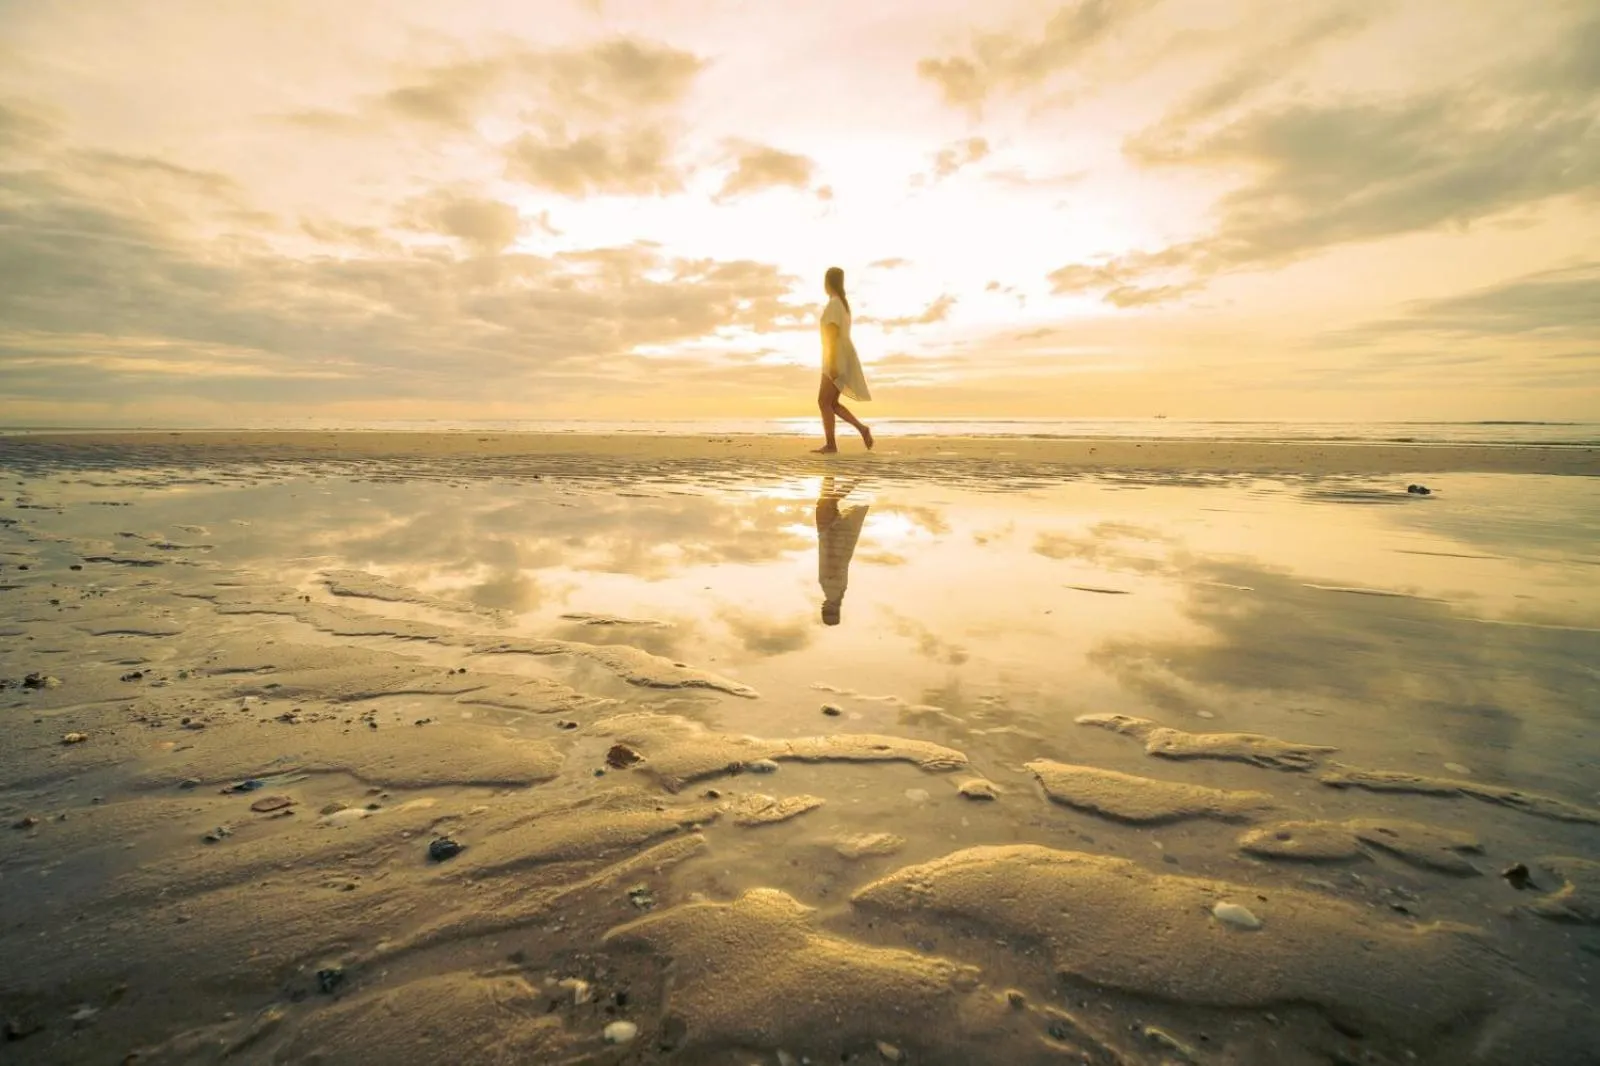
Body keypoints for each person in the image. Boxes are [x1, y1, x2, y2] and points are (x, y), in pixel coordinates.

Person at [813, 266, 873, 454]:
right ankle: (861, 429)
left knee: (823, 401)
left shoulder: (834, 305)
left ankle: (831, 445)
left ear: (828, 283)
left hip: (836, 357)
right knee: (831, 403)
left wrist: (831, 363)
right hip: (843, 356)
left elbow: (831, 335)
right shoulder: (842, 306)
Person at [815, 476, 869, 625]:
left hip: (829, 538)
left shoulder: (837, 593)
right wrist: (830, 537)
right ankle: (857, 478)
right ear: (831, 610)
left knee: (826, 502)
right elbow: (833, 564)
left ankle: (829, 469)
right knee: (826, 502)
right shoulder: (833, 593)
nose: (823, 608)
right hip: (829, 538)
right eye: (826, 612)